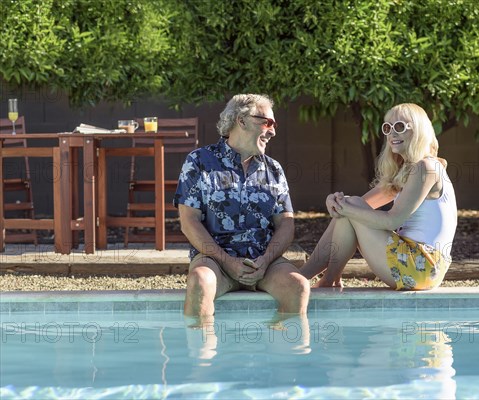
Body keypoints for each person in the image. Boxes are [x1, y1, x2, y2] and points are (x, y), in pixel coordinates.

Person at [174, 94, 310, 322]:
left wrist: (265, 260)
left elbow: (286, 224)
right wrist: (227, 261)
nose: (273, 131)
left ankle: (280, 351)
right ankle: (202, 357)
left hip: (263, 263)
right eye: (267, 123)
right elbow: (189, 221)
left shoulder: (274, 169)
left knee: (299, 286)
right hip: (214, 260)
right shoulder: (199, 161)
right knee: (199, 282)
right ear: (242, 120)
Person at [300, 103, 457, 290]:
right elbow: (361, 206)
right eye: (387, 128)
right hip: (417, 265)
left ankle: (305, 277)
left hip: (422, 265)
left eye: (399, 126)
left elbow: (392, 221)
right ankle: (322, 278)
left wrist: (345, 207)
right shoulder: (406, 171)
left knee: (351, 207)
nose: (392, 133)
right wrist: (335, 203)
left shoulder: (426, 168)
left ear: (419, 131)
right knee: (351, 206)